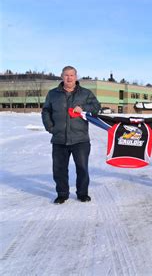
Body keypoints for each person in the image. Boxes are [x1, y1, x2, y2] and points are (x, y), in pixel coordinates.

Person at [41, 66, 101, 204]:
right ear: (62, 76)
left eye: (72, 75)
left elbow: (97, 107)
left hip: (80, 139)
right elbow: (46, 111)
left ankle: (82, 193)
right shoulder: (53, 94)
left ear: (76, 77)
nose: (69, 78)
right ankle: (62, 194)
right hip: (59, 139)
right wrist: (51, 128)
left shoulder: (85, 93)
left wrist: (84, 108)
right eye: (66, 75)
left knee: (82, 168)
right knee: (59, 169)